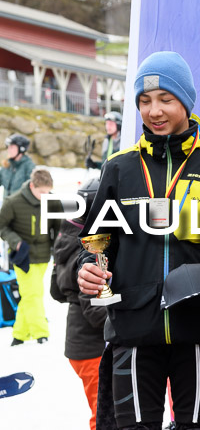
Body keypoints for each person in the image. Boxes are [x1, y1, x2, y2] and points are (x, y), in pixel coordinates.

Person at [76, 51, 200, 429]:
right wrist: (89, 267)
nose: (154, 111)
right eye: (145, 100)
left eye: (165, 99)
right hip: (134, 333)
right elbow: (97, 242)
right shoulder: (120, 168)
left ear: (186, 100)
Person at [50, 178, 106, 430]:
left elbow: (56, 292)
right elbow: (95, 312)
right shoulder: (91, 247)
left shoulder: (66, 237)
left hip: (79, 345)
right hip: (91, 348)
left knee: (103, 411)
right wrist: (128, 311)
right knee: (104, 415)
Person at [0, 168, 61, 346]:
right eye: (42, 191)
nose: (46, 195)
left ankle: (20, 333)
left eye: (48, 191)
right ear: (32, 186)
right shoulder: (13, 202)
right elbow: (2, 226)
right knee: (33, 294)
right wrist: (16, 242)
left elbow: (59, 227)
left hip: (43, 256)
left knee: (30, 294)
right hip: (23, 257)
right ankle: (41, 332)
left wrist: (57, 249)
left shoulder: (52, 200)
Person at [0, 134, 35, 199]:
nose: (8, 150)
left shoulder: (29, 166)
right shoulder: (7, 164)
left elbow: (33, 189)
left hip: (20, 206)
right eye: (8, 147)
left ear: (21, 149)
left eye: (12, 147)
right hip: (6, 206)